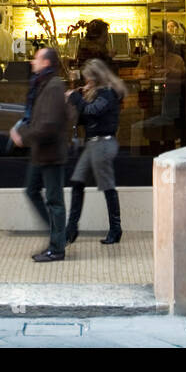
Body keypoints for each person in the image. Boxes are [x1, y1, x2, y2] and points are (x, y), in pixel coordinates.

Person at [10, 48, 74, 262]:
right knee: (32, 190)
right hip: (42, 152)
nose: (32, 62)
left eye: (36, 58)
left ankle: (57, 248)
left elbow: (49, 124)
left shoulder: (54, 86)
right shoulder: (42, 84)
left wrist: (23, 137)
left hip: (51, 152)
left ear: (46, 62)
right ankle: (58, 235)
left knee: (55, 200)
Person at [65, 58, 126, 245]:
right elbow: (85, 116)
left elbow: (92, 111)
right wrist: (78, 100)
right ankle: (71, 229)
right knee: (77, 182)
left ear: (96, 78)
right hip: (93, 144)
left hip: (103, 144)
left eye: (89, 79)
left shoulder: (107, 94)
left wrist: (76, 99)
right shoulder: (97, 93)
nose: (86, 83)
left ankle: (115, 229)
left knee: (107, 186)